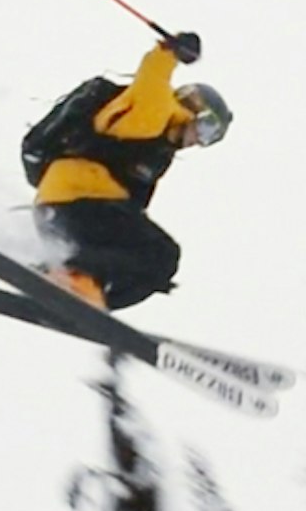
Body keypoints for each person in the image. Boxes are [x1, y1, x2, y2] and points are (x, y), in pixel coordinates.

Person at [27, 32, 231, 310]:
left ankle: (88, 301)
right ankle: (70, 277)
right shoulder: (157, 113)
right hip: (79, 200)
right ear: (194, 109)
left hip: (72, 210)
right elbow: (153, 78)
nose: (199, 141)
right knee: (161, 254)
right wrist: (170, 51)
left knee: (152, 267)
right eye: (206, 129)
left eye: (210, 139)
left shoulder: (159, 150)